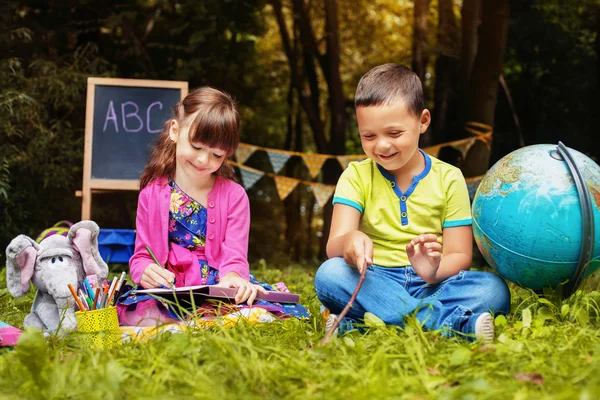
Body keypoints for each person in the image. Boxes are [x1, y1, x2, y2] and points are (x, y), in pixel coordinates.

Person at [314, 64, 510, 342]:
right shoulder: (356, 176)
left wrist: (433, 271)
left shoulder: (450, 178)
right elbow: (335, 246)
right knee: (330, 274)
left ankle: (358, 326)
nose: (382, 146)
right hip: (372, 280)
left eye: (394, 134)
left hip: (432, 284)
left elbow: (460, 255)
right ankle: (450, 325)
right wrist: (350, 241)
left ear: (423, 121)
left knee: (492, 289)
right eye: (368, 136)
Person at [117, 87, 308, 326]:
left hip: (219, 287)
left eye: (217, 155)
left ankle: (197, 322)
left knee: (257, 308)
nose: (203, 160)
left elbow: (235, 256)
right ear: (175, 131)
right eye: (196, 147)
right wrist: (144, 270)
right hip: (169, 291)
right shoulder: (151, 194)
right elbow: (142, 256)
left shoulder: (235, 196)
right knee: (136, 314)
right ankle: (196, 323)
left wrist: (232, 277)